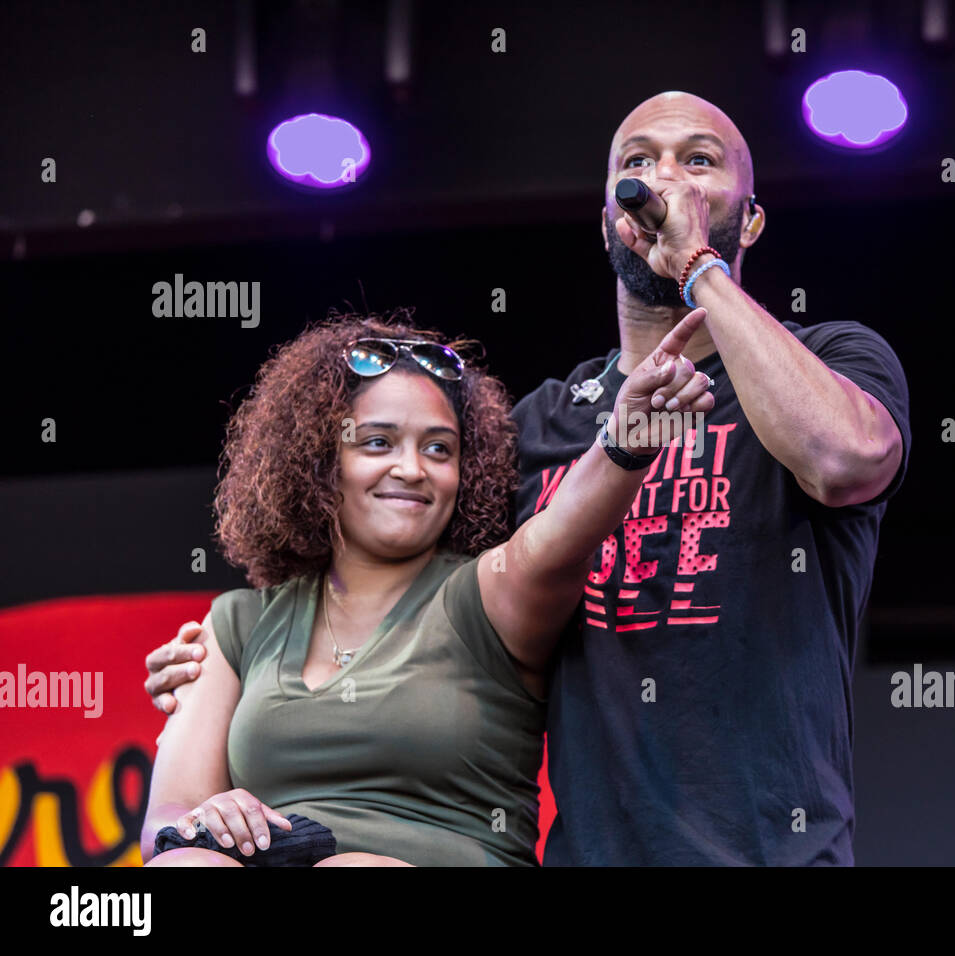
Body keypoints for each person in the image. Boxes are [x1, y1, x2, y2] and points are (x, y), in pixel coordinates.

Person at [147, 90, 911, 865]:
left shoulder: (833, 359)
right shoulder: (540, 425)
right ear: (607, 214)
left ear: (749, 219)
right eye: (637, 162)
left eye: (699, 161)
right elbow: (403, 574)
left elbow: (844, 460)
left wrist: (700, 271)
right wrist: (221, 656)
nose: (663, 181)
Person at [140, 306, 714, 866]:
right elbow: (167, 821)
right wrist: (206, 819)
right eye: (378, 443)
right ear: (319, 460)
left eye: (439, 448)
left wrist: (625, 441)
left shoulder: (481, 596)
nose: (412, 469)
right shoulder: (238, 623)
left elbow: (558, 536)